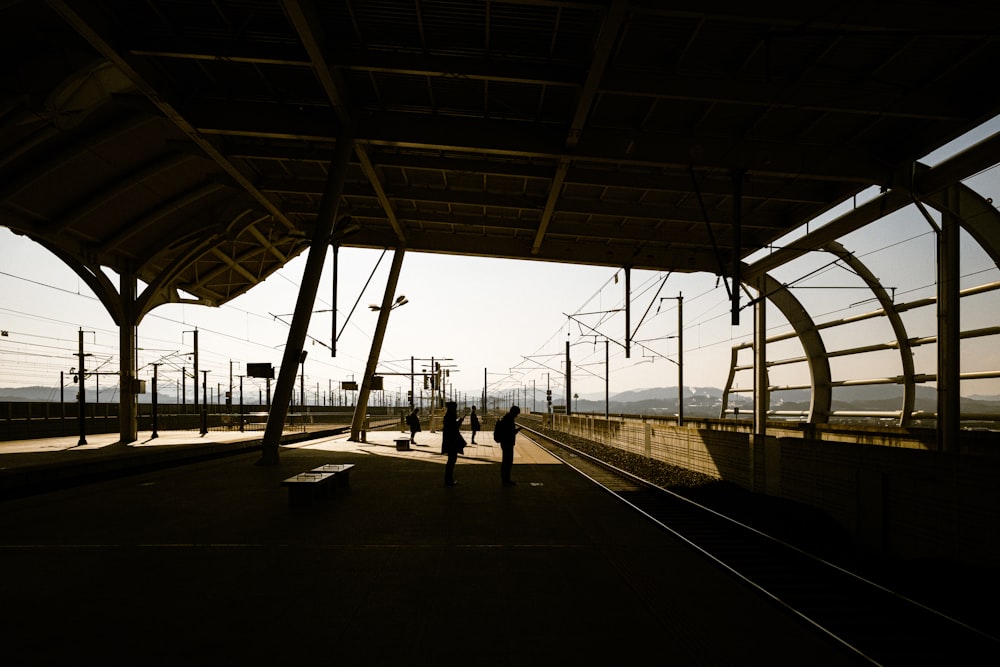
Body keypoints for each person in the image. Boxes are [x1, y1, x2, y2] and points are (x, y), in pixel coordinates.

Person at [494, 405, 521, 486]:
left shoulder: (506, 418)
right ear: (513, 412)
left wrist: (514, 431)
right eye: (516, 413)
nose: (517, 415)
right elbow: (509, 432)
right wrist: (516, 431)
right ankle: (506, 480)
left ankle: (506, 480)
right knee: (507, 462)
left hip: (505, 442)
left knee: (506, 462)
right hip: (507, 443)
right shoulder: (509, 419)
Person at [440, 401, 465, 486]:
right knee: (452, 460)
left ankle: (449, 479)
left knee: (451, 460)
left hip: (449, 441)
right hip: (452, 442)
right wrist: (460, 420)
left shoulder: (448, 416)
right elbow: (454, 427)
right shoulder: (450, 416)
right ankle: (448, 480)